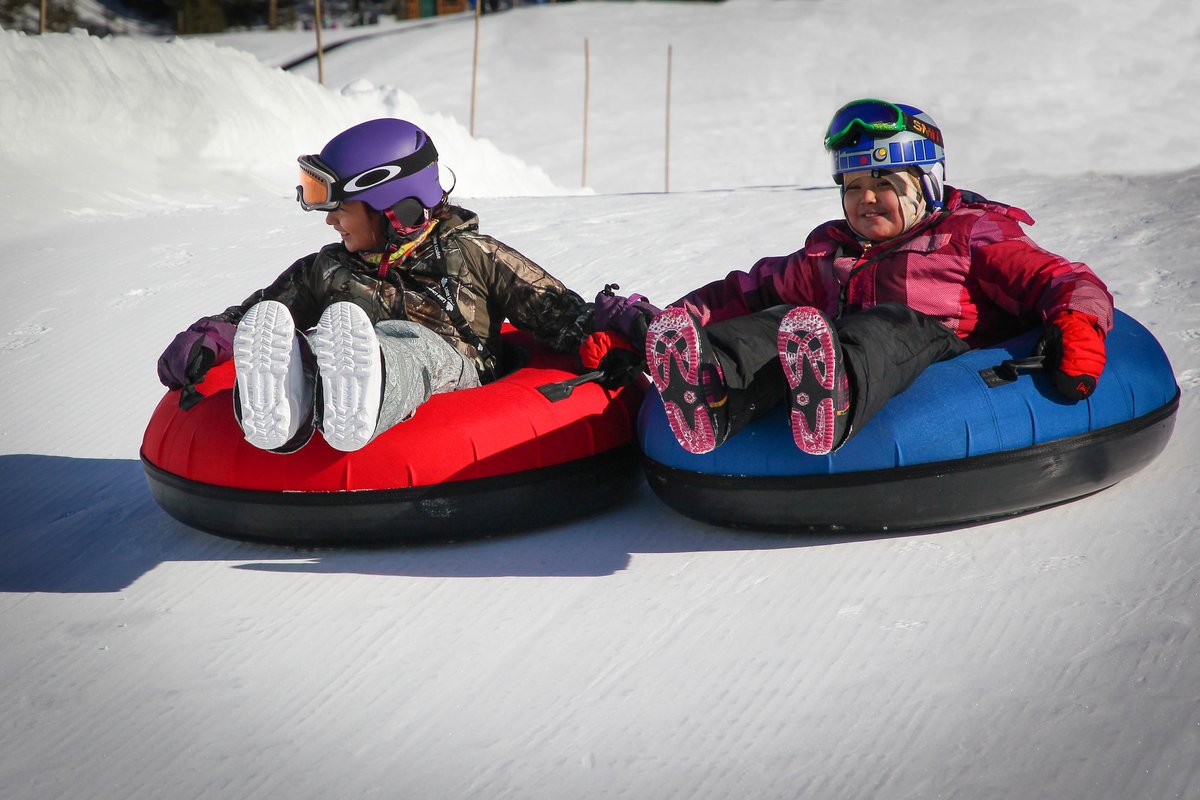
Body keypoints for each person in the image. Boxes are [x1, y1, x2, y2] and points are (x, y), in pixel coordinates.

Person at [580, 98, 1112, 456]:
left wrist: (1079, 322)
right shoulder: (832, 251)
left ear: (924, 186)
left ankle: (834, 399)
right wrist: (656, 327)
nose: (866, 198)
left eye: (884, 181)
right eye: (853, 186)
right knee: (780, 316)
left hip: (938, 351)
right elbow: (741, 292)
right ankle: (712, 391)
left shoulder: (970, 233)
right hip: (831, 350)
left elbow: (1064, 278)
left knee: (897, 322)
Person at [157, 118, 590, 453]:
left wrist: (614, 321)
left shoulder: (471, 255)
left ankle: (367, 378)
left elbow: (557, 311)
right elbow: (258, 315)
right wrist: (213, 337)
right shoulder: (327, 269)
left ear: (391, 207)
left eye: (341, 207)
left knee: (412, 347)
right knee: (298, 335)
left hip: (457, 378)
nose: (330, 220)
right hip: (348, 373)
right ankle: (294, 403)